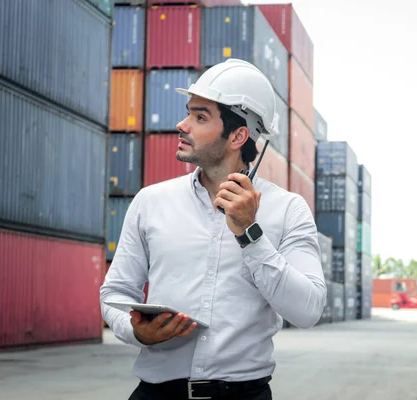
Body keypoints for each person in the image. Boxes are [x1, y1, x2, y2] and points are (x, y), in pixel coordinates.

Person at [100, 58, 327, 400]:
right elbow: (114, 296)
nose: (182, 124)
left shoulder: (287, 210)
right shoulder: (151, 202)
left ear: (238, 135)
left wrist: (250, 233)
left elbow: (308, 311)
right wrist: (136, 333)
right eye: (188, 112)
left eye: (200, 117)